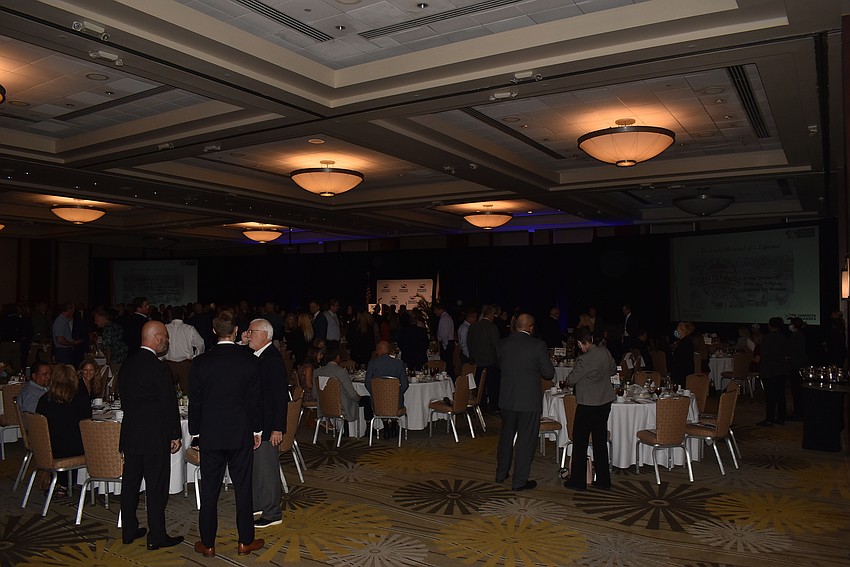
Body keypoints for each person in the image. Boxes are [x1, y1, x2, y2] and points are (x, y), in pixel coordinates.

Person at [189, 312, 264, 558]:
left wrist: (195, 434)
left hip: (211, 434)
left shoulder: (200, 363)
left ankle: (208, 543)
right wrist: (257, 430)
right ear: (235, 331)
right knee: (243, 489)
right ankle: (245, 542)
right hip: (240, 433)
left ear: (213, 331)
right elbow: (255, 402)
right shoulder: (249, 361)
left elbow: (196, 402)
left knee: (209, 490)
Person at [118, 321, 184, 550]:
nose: (167, 340)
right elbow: (168, 404)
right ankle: (156, 535)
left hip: (131, 433)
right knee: (156, 488)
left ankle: (128, 530)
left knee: (130, 483)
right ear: (156, 338)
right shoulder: (158, 368)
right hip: (154, 436)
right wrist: (175, 434)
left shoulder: (127, 364)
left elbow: (124, 399)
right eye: (165, 336)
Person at [495, 313, 554, 492]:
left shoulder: (502, 344)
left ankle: (501, 473)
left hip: (507, 398)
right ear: (530, 327)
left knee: (506, 437)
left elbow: (499, 366)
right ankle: (519, 481)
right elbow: (549, 374)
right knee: (525, 440)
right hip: (528, 401)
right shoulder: (538, 345)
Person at [244, 318, 287, 530]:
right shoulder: (259, 356)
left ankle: (272, 512)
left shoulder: (272, 359)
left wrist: (278, 428)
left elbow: (280, 396)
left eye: (251, 331)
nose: (248, 335)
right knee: (258, 468)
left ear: (264, 335)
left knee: (268, 470)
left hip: (269, 425)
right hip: (259, 423)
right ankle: (259, 505)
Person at [564, 329, 616, 491]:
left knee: (580, 443)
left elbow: (571, 380)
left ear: (581, 343)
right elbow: (613, 370)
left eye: (579, 344)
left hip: (587, 405)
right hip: (604, 403)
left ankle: (578, 482)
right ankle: (603, 480)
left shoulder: (583, 360)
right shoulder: (605, 352)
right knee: (600, 442)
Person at [36, 363, 91, 496]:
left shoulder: (44, 400)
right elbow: (87, 423)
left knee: (63, 438)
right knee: (82, 439)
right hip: (73, 448)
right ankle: (66, 483)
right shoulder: (80, 399)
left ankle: (60, 482)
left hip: (48, 448)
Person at [315, 346, 365, 436]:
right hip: (341, 407)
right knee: (359, 400)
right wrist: (359, 397)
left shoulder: (317, 372)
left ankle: (341, 430)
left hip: (324, 406)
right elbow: (352, 393)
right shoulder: (341, 372)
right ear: (338, 357)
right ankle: (358, 432)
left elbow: (315, 394)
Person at [365, 341, 408, 437]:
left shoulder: (372, 363)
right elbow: (405, 384)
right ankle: (394, 424)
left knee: (379, 404)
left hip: (378, 402)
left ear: (379, 350)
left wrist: (374, 394)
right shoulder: (399, 363)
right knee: (395, 403)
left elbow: (367, 383)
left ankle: (385, 426)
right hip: (395, 402)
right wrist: (398, 394)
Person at [164, 306, 205, 394]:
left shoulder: (165, 328)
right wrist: (195, 357)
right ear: (183, 316)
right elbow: (201, 343)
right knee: (186, 393)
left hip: (168, 364)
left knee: (168, 392)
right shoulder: (189, 328)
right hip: (185, 365)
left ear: (170, 315)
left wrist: (161, 358)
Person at [757, 317, 790, 427]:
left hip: (769, 370)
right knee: (781, 395)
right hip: (781, 370)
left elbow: (764, 355)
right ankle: (781, 417)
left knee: (770, 396)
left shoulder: (767, 339)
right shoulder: (784, 338)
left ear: (770, 326)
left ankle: (770, 418)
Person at [468, 304, 502, 412]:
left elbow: (469, 344)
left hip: (477, 362)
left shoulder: (473, 326)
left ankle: (480, 406)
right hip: (490, 361)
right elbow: (496, 346)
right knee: (493, 386)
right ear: (491, 315)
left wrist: (472, 358)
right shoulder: (492, 327)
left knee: (480, 386)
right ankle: (493, 406)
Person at [94, 310, 128, 376]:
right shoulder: (116, 325)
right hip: (124, 356)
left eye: (96, 320)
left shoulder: (107, 329)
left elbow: (108, 347)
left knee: (114, 378)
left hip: (115, 359)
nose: (95, 322)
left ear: (102, 319)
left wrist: (108, 361)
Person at [787, 317, 808, 421]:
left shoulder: (796, 336)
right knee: (797, 392)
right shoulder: (800, 335)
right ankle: (799, 412)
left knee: (796, 392)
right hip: (798, 366)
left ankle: (798, 413)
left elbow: (793, 352)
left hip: (796, 367)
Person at [670, 322, 695, 387]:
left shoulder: (685, 342)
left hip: (682, 371)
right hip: (683, 370)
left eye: (677, 330)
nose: (676, 331)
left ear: (682, 331)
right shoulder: (685, 341)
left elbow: (681, 358)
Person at [434, 304, 456, 378]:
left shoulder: (444, 318)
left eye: (436, 310)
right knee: (449, 364)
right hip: (448, 343)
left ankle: (449, 380)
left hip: (447, 344)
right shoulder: (447, 317)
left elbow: (444, 334)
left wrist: (444, 346)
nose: (435, 312)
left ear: (440, 309)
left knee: (447, 365)